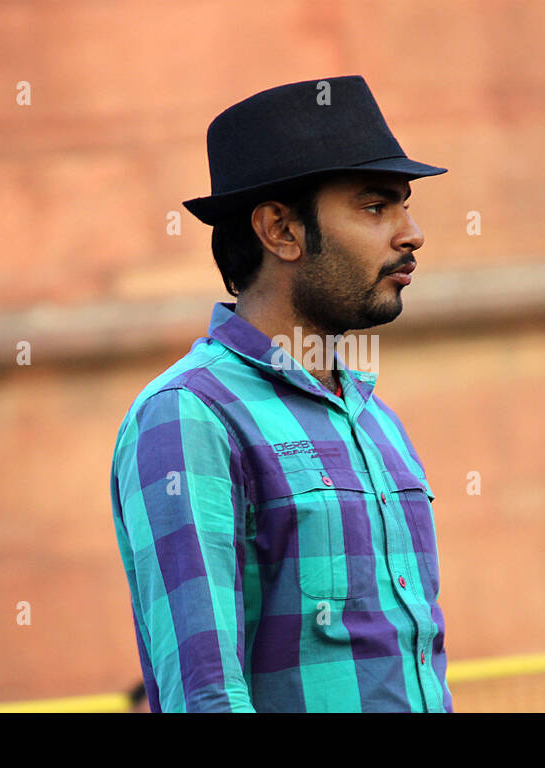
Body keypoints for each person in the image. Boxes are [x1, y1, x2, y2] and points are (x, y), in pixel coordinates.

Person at [111, 75, 450, 712]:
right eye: (376, 207)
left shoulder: (377, 422)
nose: (412, 233)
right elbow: (207, 695)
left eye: (405, 205)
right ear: (280, 231)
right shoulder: (190, 415)